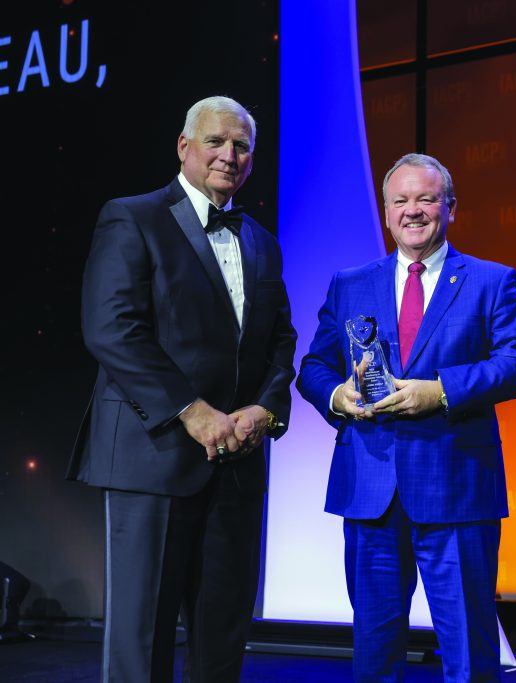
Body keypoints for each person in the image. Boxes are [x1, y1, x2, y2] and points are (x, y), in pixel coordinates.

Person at [68, 95, 297, 681]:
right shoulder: (132, 216)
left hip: (238, 462)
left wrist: (264, 411)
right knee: (140, 638)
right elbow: (112, 329)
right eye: (216, 141)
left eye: (241, 145)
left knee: (221, 637)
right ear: (184, 147)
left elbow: (280, 340)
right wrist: (192, 411)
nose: (229, 155)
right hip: (153, 456)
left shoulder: (263, 242)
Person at [297, 153, 516, 680]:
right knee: (374, 652)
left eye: (426, 199)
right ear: (386, 212)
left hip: (456, 490)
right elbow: (313, 366)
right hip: (370, 490)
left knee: (469, 653)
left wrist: (442, 391)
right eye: (401, 200)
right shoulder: (350, 282)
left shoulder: (490, 281)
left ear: (450, 207)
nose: (414, 211)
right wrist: (339, 396)